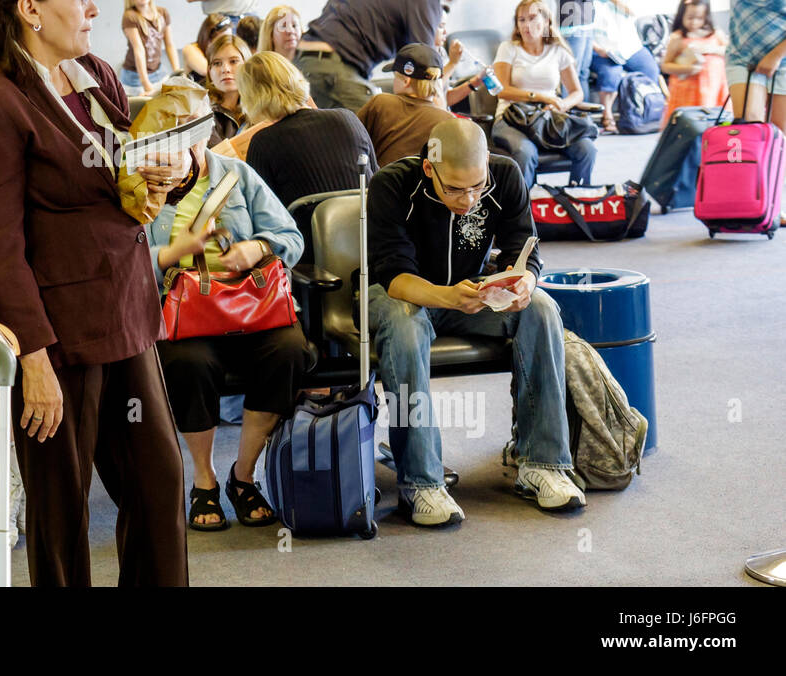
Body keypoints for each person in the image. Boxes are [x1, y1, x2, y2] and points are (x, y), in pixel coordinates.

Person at [0, 0, 188, 587]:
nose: (92, 7)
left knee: (161, 489)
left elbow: (125, 180)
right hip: (55, 334)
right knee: (61, 519)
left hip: (126, 317)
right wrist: (33, 357)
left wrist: (170, 174)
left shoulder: (99, 75)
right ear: (29, 8)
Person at [366, 119, 584, 527]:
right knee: (406, 324)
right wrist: (447, 295)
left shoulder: (503, 174)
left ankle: (543, 464)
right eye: (454, 189)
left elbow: (525, 247)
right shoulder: (391, 184)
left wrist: (523, 283)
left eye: (476, 187)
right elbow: (393, 274)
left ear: (486, 163)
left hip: (469, 288)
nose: (468, 199)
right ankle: (421, 483)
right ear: (430, 168)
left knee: (541, 308)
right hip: (402, 293)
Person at [145, 87, 306, 531]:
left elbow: (291, 238)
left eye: (194, 130)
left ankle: (243, 474)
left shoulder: (236, 175)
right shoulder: (144, 187)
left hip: (251, 305)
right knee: (187, 362)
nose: (185, 142)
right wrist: (174, 250)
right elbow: (124, 262)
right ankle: (204, 480)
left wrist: (256, 247)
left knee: (290, 351)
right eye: (174, 133)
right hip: (187, 313)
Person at [298, 0, 482, 112]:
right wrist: (445, 124)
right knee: (387, 132)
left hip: (305, 61)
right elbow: (427, 78)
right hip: (333, 69)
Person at [241, 52, 377, 256]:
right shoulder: (348, 118)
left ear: (252, 96)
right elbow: (376, 180)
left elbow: (260, 218)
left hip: (307, 256)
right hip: (373, 244)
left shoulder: (263, 142)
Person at [491, 0, 597, 188]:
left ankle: (575, 200)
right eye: (521, 20)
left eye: (532, 18)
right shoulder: (508, 49)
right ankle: (524, 211)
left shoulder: (558, 51)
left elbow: (576, 92)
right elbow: (502, 91)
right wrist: (541, 97)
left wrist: (563, 104)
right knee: (525, 152)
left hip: (548, 119)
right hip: (511, 118)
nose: (526, 25)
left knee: (587, 149)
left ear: (547, 21)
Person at [726, 0, 786, 194]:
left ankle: (777, 198)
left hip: (782, 62)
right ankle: (751, 196)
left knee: (779, 134)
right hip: (741, 57)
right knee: (749, 125)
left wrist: (775, 56)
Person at [586, 0, 664, 133]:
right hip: (603, 51)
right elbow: (582, 32)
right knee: (610, 73)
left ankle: (646, 109)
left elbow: (632, 11)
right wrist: (598, 49)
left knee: (650, 68)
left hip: (630, 48)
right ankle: (608, 116)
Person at [356, 43, 457, 166]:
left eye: (395, 77)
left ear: (406, 81)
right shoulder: (448, 121)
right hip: (424, 184)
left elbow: (353, 140)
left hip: (381, 183)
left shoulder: (381, 103)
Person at [661, 0, 729, 124]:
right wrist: (687, 69)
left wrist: (712, 49)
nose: (694, 22)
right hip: (687, 93)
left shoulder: (715, 34)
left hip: (714, 90)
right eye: (690, 18)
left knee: (714, 122)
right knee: (690, 125)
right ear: (682, 16)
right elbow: (665, 65)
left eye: (699, 18)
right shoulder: (678, 38)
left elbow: (729, 50)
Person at [119, 0, 176, 95]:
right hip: (135, 77)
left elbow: (170, 45)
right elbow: (138, 50)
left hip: (158, 72)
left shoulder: (162, 13)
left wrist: (178, 73)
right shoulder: (130, 17)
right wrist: (146, 84)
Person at [205, 31, 251, 145]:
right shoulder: (202, 112)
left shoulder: (261, 105)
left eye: (233, 61)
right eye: (217, 63)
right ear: (209, 72)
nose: (225, 69)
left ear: (248, 65)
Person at [182, 11, 235, 81]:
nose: (226, 43)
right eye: (222, 40)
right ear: (209, 39)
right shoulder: (190, 49)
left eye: (229, 39)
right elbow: (206, 71)